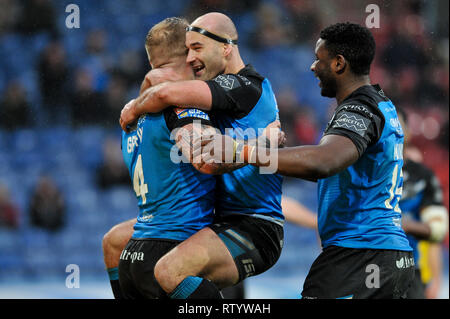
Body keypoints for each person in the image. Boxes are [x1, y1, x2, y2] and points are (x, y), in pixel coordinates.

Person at [198, 22, 415, 299]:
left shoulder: (359, 109)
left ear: (339, 64)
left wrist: (244, 151)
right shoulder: (381, 104)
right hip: (386, 257)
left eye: (319, 59)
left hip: (359, 256)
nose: (313, 67)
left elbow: (322, 162)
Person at [119, 12, 284, 299]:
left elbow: (164, 91)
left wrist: (134, 107)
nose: (191, 59)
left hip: (254, 225)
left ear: (226, 47)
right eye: (188, 50)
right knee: (116, 242)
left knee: (171, 271)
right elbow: (161, 86)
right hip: (217, 219)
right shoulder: (217, 92)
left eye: (197, 48)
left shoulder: (246, 86)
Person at [396, 108, 448, 299]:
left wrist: (436, 280)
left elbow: (437, 231)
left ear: (408, 132)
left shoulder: (422, 176)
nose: (392, 130)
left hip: (410, 273)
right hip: (367, 271)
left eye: (398, 123)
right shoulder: (361, 174)